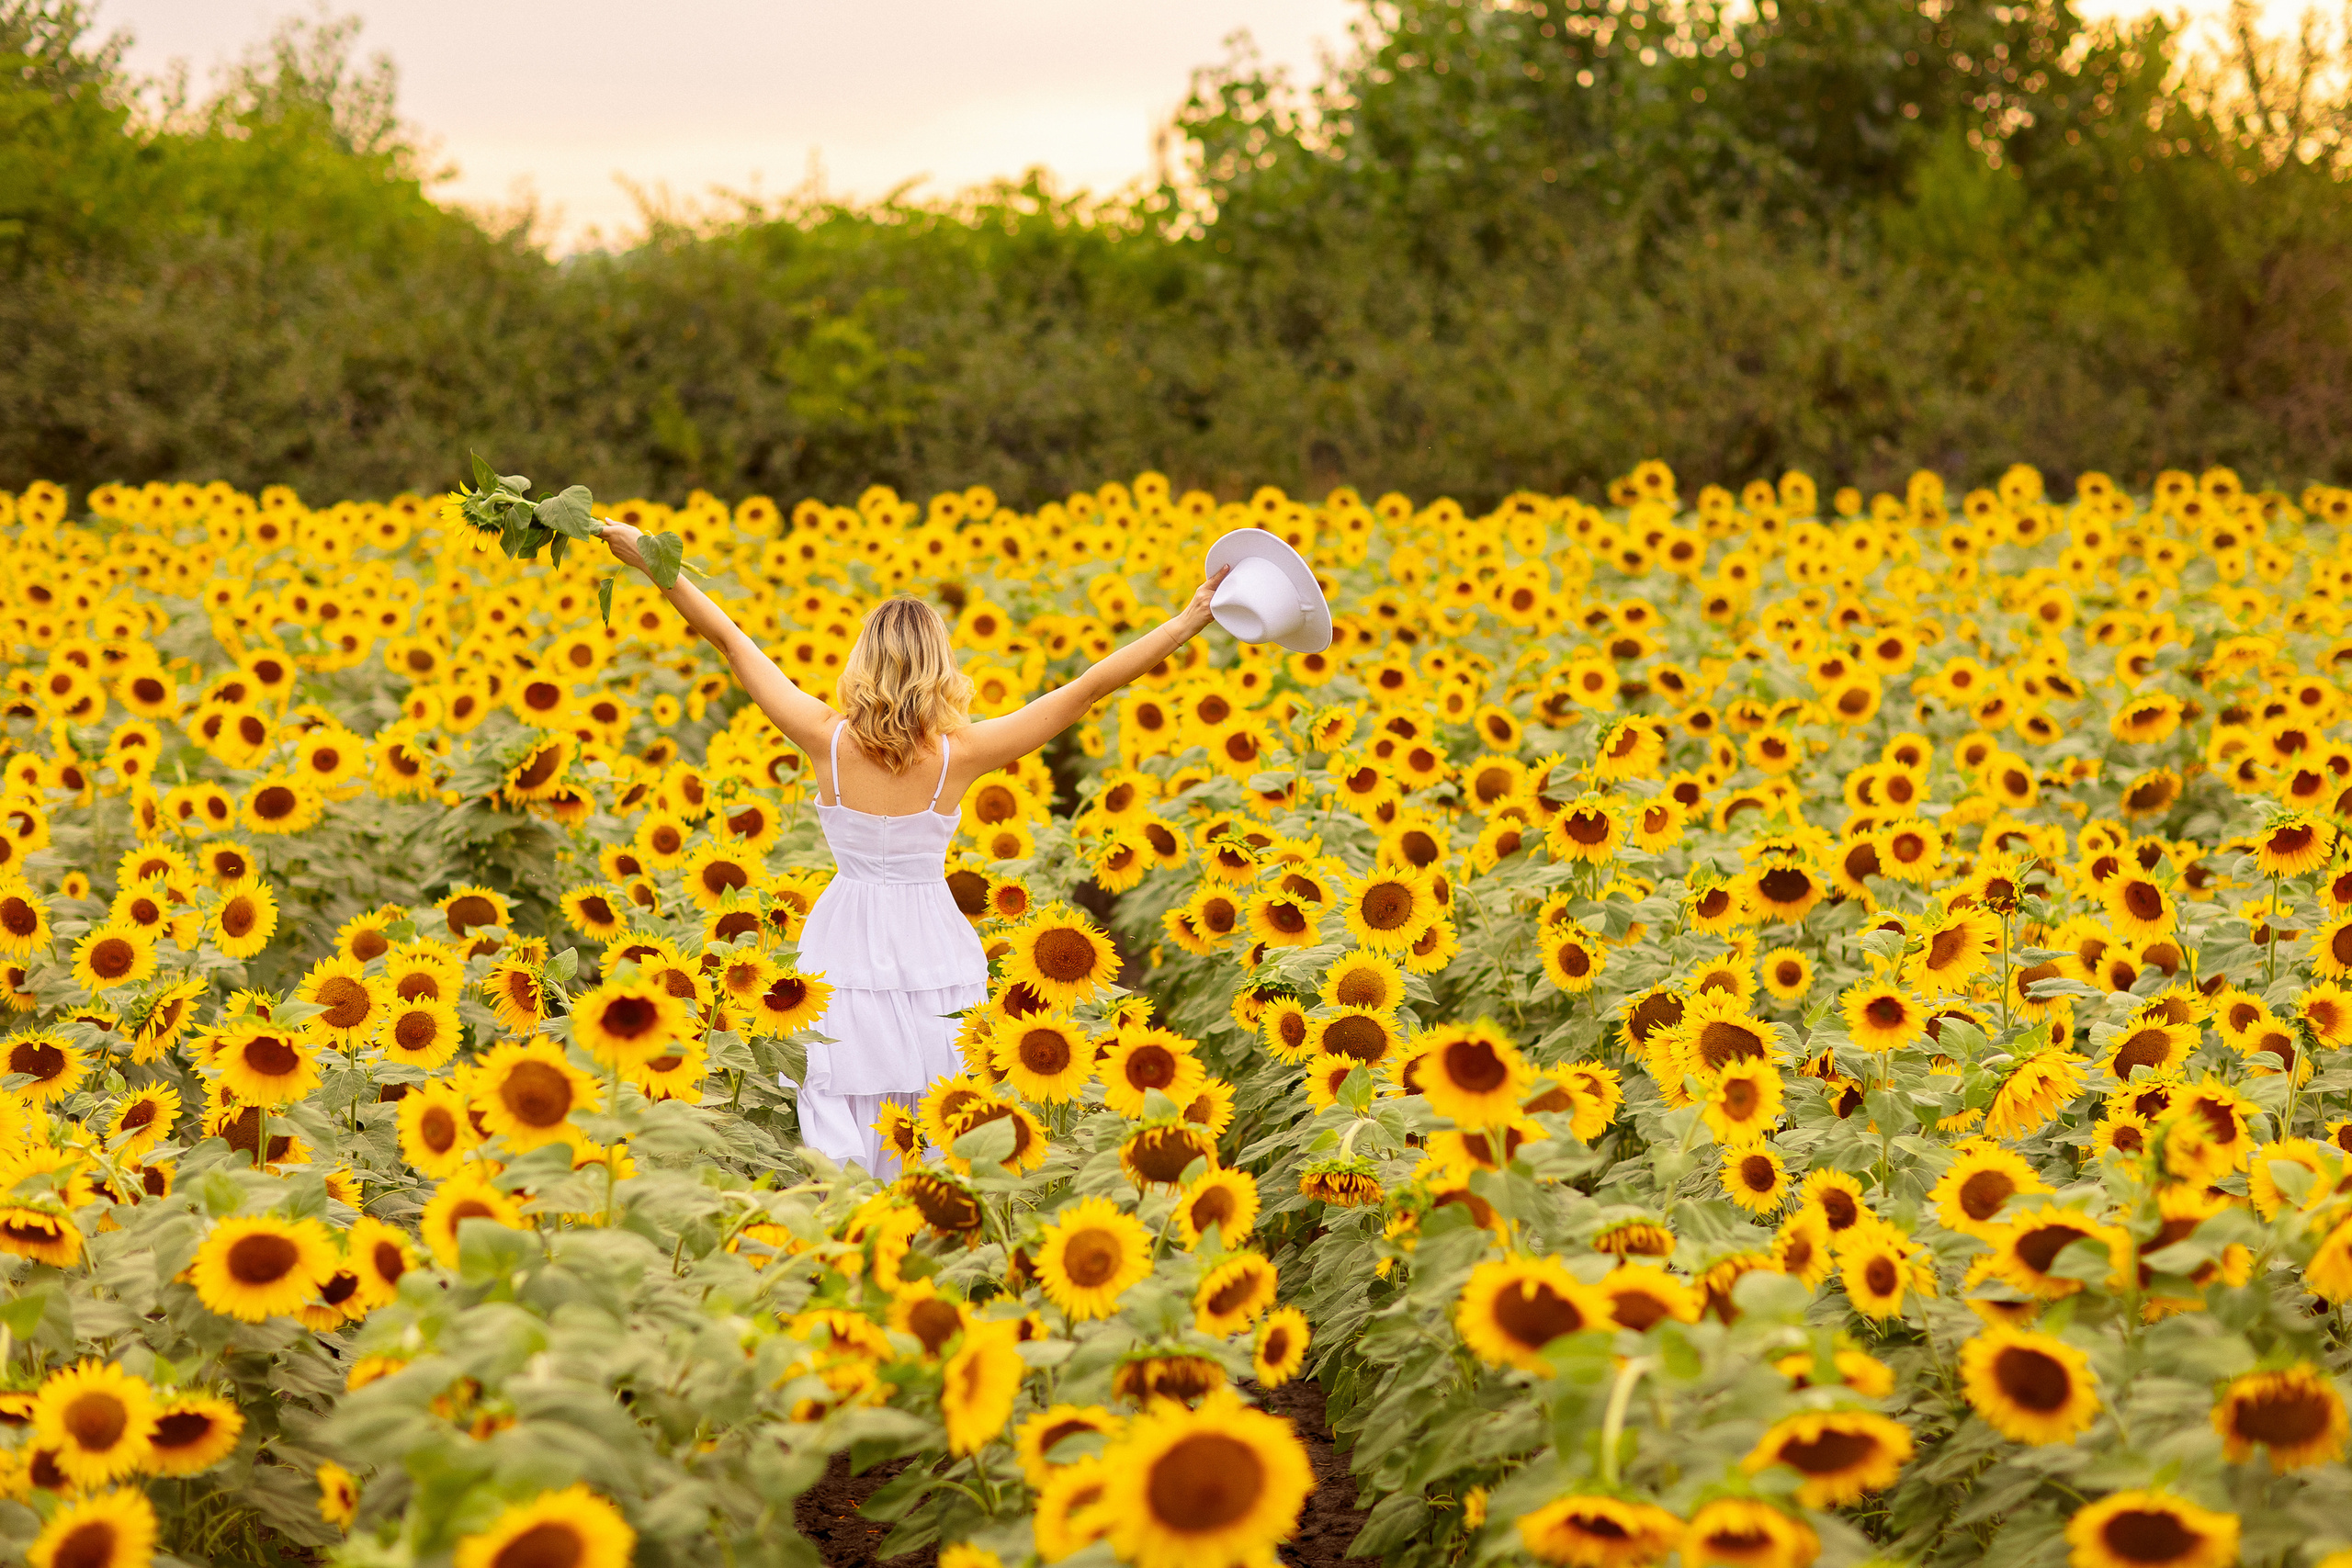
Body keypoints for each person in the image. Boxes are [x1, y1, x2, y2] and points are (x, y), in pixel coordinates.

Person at [599, 518, 1228, 1174]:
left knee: (842, 1102)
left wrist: (649, 559)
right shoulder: (963, 754)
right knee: (936, 1108)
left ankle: (846, 1232)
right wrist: (1184, 622)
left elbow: (730, 641)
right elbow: (1089, 688)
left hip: (842, 935)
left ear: (862, 660)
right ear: (940, 665)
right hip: (932, 941)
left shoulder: (825, 740)